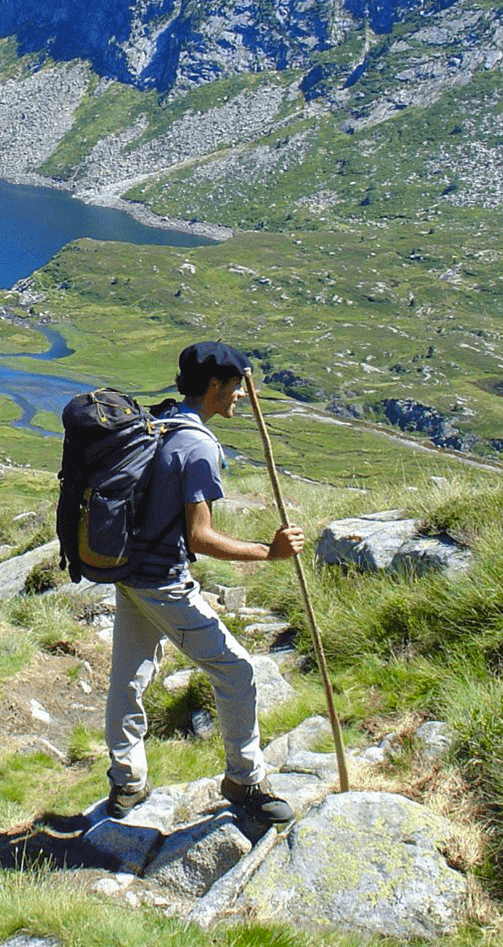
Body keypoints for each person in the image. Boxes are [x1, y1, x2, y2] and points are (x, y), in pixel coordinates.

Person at [104, 340, 305, 825]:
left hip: (128, 572)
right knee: (237, 672)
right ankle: (244, 780)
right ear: (215, 386)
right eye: (235, 386)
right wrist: (268, 552)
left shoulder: (161, 420)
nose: (239, 394)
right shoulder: (198, 446)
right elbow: (201, 537)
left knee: (129, 677)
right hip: (162, 581)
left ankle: (127, 782)